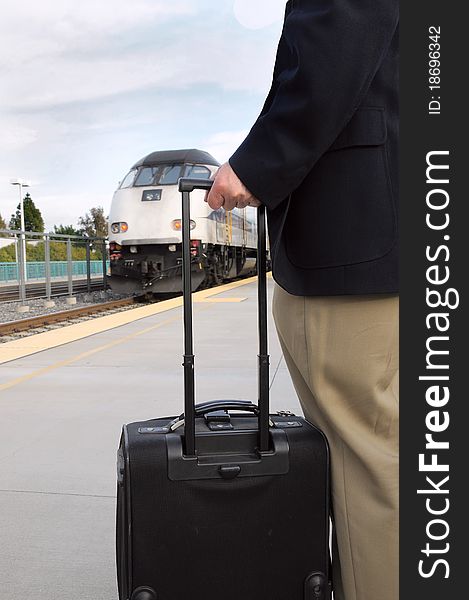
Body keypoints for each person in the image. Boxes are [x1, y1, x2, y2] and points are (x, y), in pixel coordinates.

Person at [206, 1, 399, 599]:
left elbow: (336, 39)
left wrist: (257, 165)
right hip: (400, 227)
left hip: (353, 244)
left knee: (366, 456)